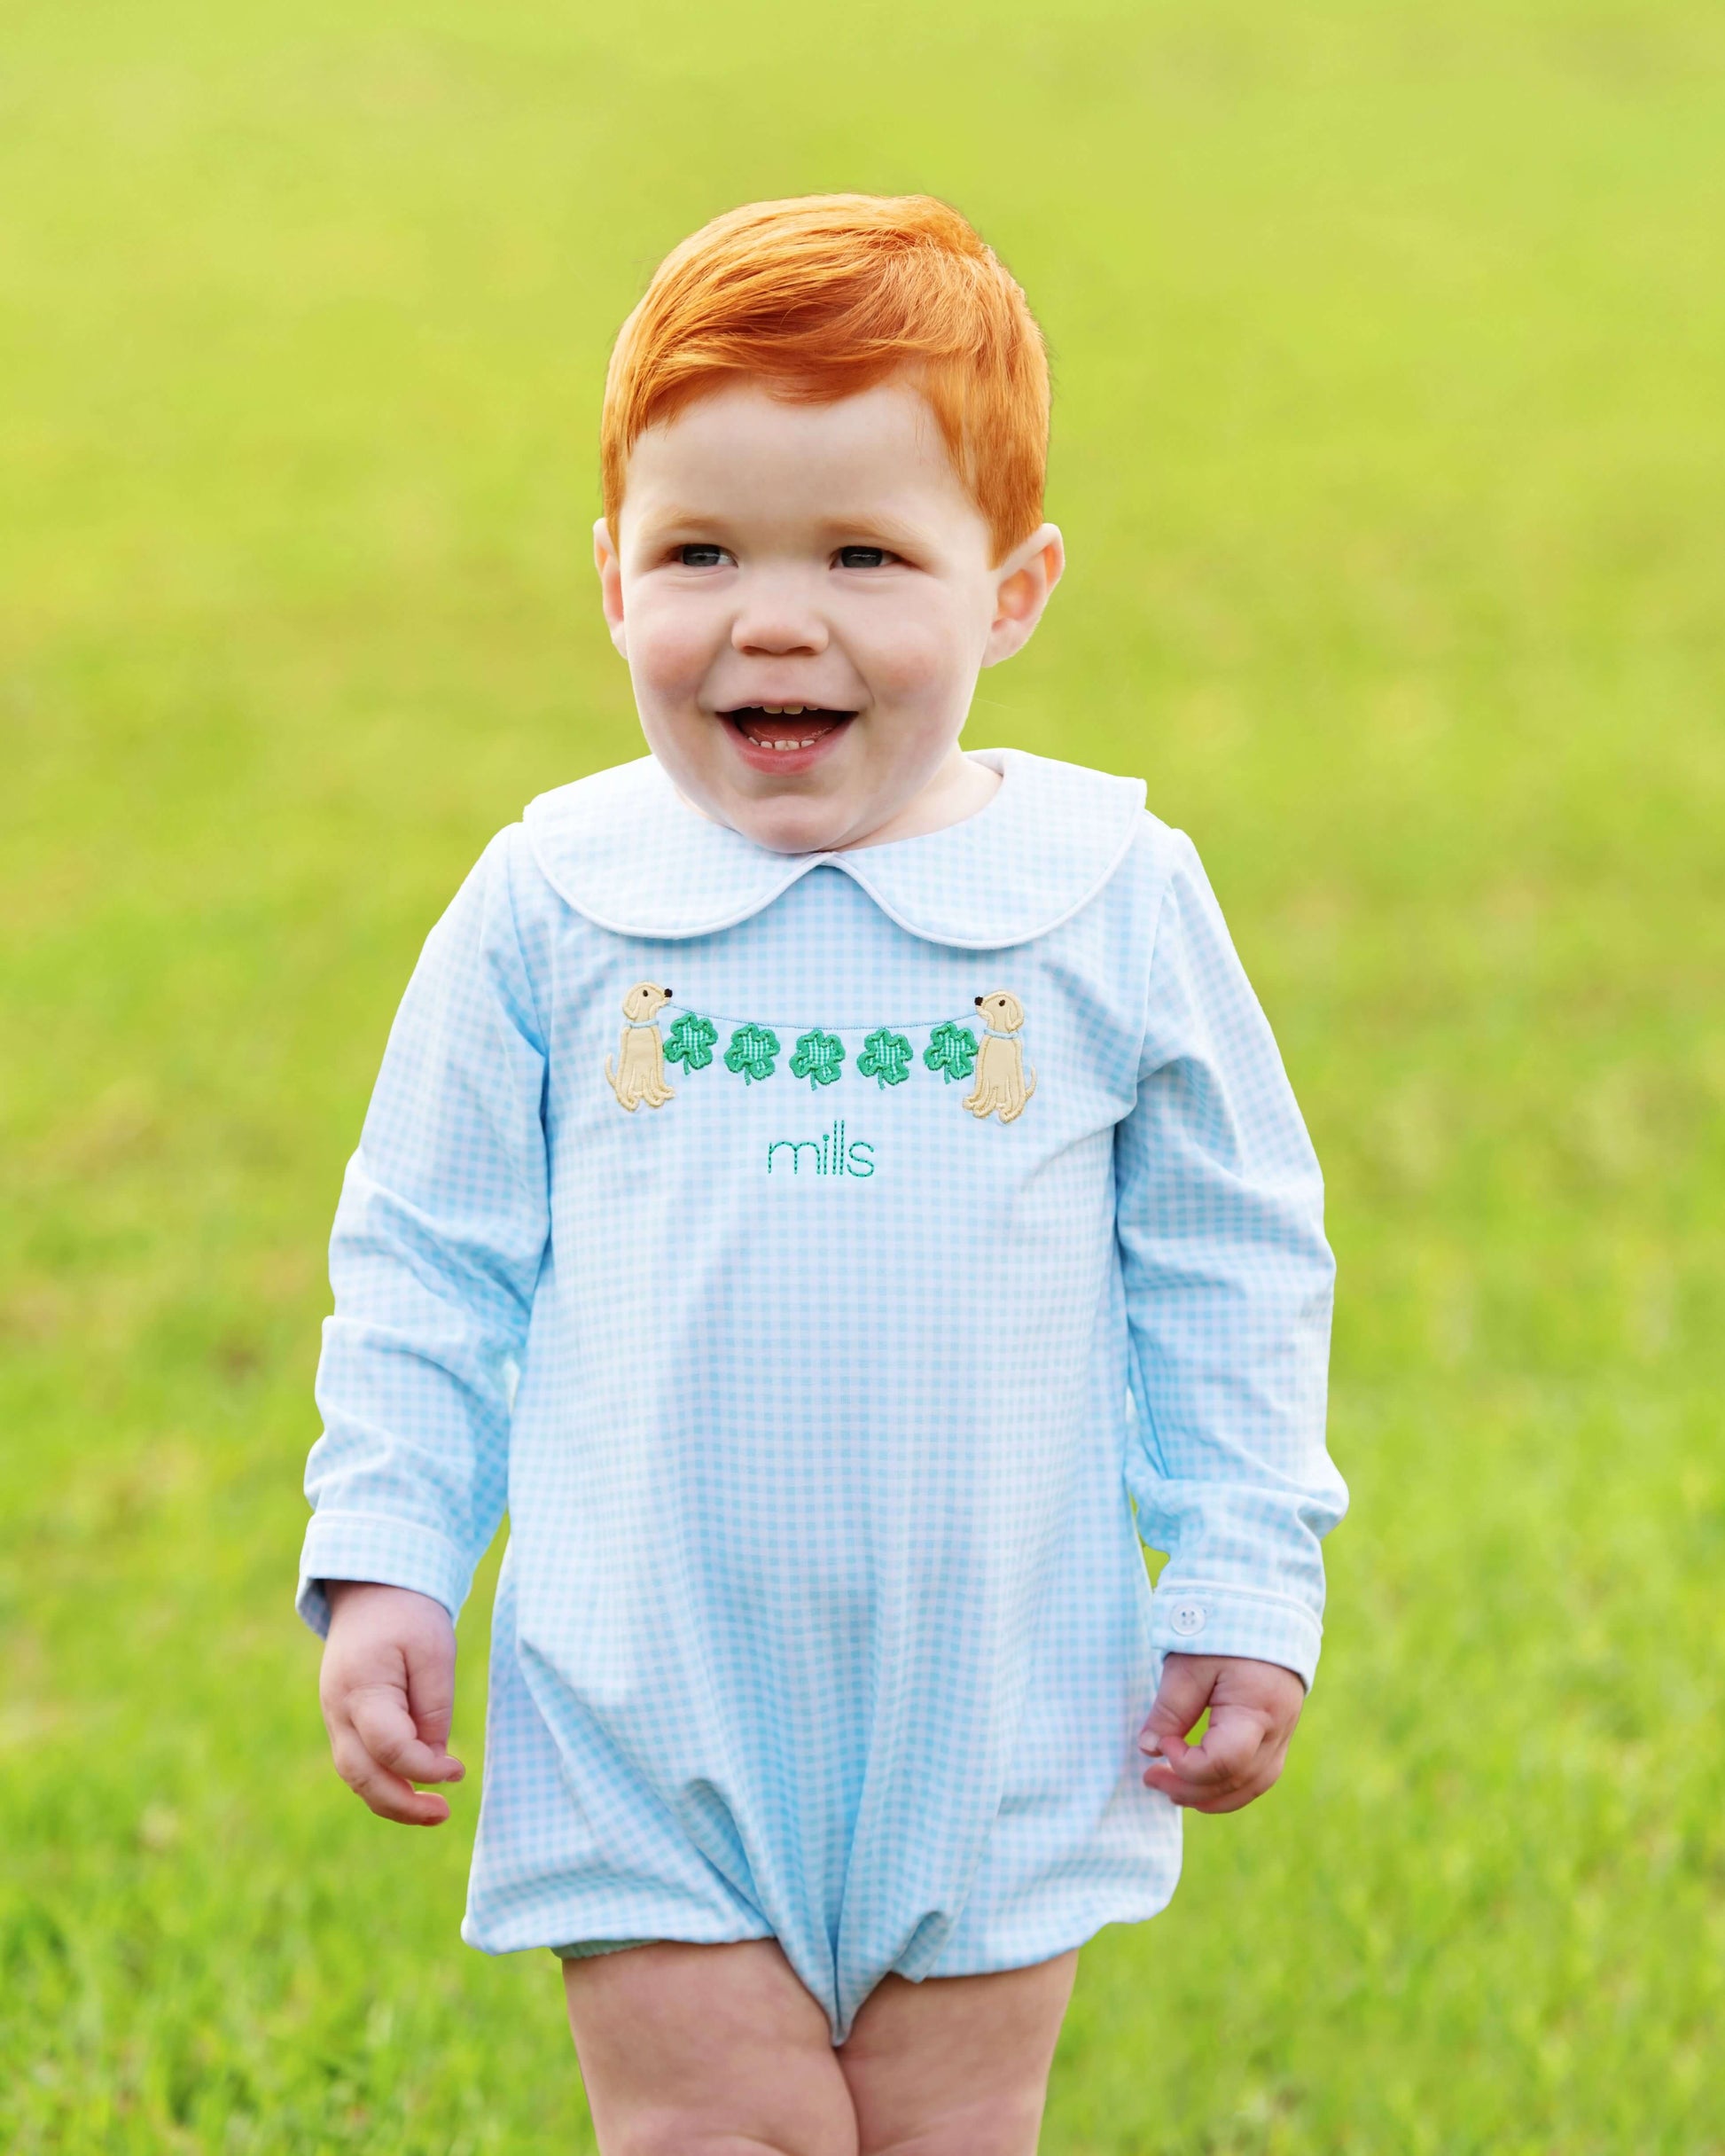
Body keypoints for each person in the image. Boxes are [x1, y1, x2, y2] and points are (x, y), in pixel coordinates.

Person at [299, 193, 1347, 2154]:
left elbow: (1228, 1262)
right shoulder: (554, 904)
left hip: (1005, 1686)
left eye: (864, 554)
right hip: (642, 1683)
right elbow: (429, 1256)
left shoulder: (1107, 902)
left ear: (1011, 588)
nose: (774, 618)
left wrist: (1238, 1571)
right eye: (703, 551)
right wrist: (388, 1551)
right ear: (611, 575)